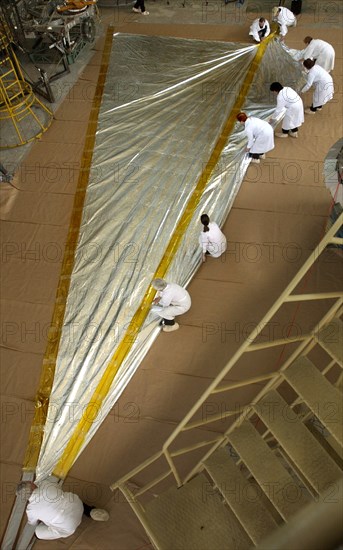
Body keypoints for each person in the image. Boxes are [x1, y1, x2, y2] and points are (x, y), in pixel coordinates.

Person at [17, 480, 109, 540]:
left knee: (38, 533)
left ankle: (51, 521)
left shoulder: (30, 510)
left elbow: (32, 523)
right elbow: (58, 488)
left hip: (69, 525)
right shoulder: (46, 484)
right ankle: (90, 511)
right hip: (78, 505)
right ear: (32, 486)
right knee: (69, 499)